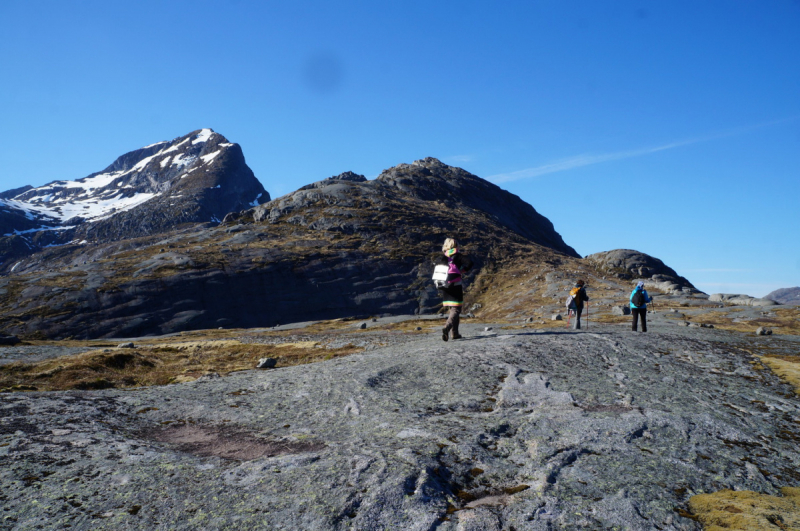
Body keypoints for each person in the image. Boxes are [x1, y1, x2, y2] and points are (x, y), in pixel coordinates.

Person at [436, 238, 473, 341]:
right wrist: (463, 270)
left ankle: (455, 334)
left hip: (445, 285)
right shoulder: (458, 256)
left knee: (452, 309)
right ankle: (447, 327)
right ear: (456, 245)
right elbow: (470, 262)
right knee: (456, 309)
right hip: (455, 284)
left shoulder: (443, 257)